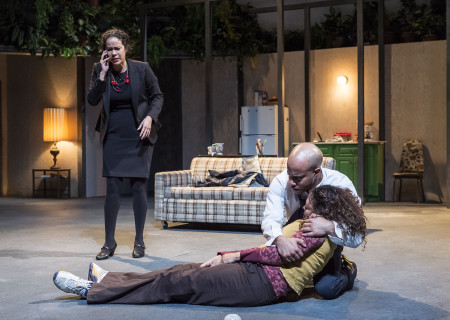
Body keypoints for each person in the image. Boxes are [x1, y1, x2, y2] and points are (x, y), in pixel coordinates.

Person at [53, 186, 367, 306]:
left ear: (323, 211)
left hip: (265, 283)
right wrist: (234, 258)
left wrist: (231, 255)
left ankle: (92, 290)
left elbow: (277, 254)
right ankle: (107, 280)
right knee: (179, 272)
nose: (304, 210)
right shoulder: (319, 224)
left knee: (179, 282)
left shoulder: (317, 227)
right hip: (255, 273)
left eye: (309, 206)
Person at [87, 29, 163, 260]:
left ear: (125, 48)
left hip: (139, 134)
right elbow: (92, 100)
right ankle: (109, 242)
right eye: (108, 49)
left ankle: (139, 241)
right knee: (112, 189)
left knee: (139, 187)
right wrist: (102, 77)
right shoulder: (100, 70)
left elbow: (158, 96)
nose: (113, 53)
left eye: (117, 48)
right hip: (114, 136)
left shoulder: (142, 68)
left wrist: (150, 117)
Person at [261, 142, 362, 299]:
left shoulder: (341, 185)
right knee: (270, 280)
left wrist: (329, 226)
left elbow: (357, 236)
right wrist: (280, 240)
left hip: (327, 240)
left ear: (316, 172)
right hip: (293, 233)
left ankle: (348, 268)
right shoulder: (281, 181)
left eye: (298, 178)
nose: (291, 182)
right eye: (290, 175)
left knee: (326, 288)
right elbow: (270, 219)